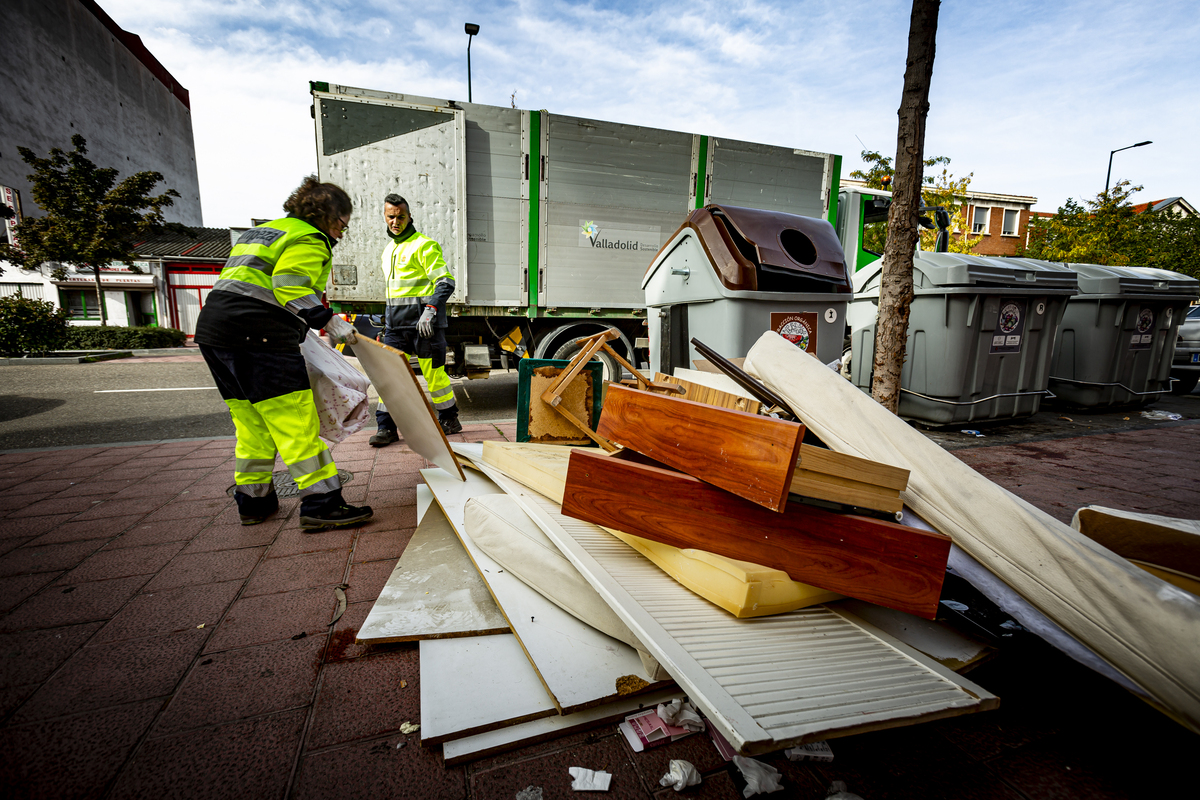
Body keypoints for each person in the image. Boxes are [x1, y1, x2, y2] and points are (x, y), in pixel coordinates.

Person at [193, 175, 372, 532]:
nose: (339, 234)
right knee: (294, 422)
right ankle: (322, 504)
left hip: (214, 330)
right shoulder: (309, 237)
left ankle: (254, 503)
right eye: (341, 225)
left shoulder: (264, 232)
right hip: (258, 334)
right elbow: (288, 285)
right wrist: (330, 322)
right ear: (327, 216)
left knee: (252, 424)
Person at [369, 193, 462, 446]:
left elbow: (445, 282)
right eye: (391, 216)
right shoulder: (388, 250)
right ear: (385, 217)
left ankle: (449, 419)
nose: (395, 221)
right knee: (389, 376)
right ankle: (386, 427)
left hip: (425, 325)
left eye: (400, 216)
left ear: (410, 217)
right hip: (396, 326)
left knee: (435, 376)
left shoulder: (425, 245)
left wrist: (431, 309)